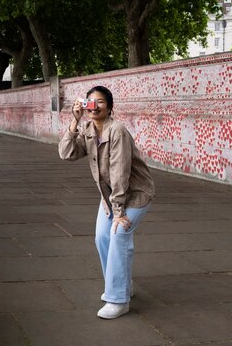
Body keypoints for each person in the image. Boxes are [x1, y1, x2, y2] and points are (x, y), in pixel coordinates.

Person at [58, 85, 155, 319]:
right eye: (90, 101)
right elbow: (66, 153)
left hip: (135, 194)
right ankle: (122, 285)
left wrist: (119, 211)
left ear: (110, 107)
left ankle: (118, 299)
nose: (94, 105)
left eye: (100, 101)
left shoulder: (117, 130)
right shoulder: (89, 129)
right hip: (111, 197)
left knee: (118, 234)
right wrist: (74, 122)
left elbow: (119, 172)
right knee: (101, 237)